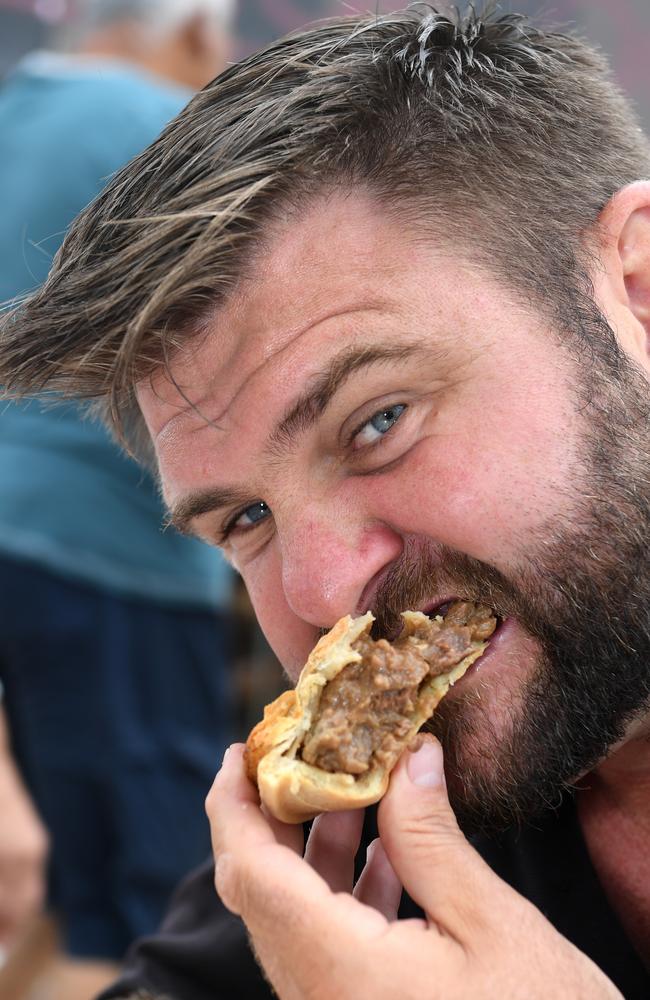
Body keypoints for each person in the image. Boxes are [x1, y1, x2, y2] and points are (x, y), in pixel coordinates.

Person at [1, 6, 649, 999]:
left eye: (377, 420)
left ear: (635, 289)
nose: (319, 596)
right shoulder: (348, 848)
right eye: (244, 521)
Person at [0, 1, 235, 997]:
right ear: (192, 32)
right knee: (173, 904)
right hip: (110, 557)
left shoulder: (14, 111)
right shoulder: (156, 126)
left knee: (47, 896)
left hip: (14, 540)